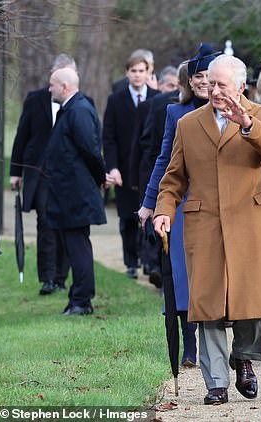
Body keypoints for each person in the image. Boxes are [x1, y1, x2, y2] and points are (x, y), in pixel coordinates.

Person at [153, 54, 261, 405]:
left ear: (242, 86)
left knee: (248, 301)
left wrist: (247, 125)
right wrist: (163, 211)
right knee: (207, 305)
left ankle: (243, 358)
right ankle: (216, 383)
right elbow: (173, 179)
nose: (213, 90)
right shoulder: (189, 124)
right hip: (204, 224)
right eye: (210, 83)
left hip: (250, 221)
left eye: (221, 84)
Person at [139, 46, 218, 367]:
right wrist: (149, 203)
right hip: (184, 201)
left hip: (219, 201)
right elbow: (164, 161)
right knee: (182, 276)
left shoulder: (229, 110)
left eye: (208, 77)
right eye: (197, 77)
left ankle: (222, 342)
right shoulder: (175, 113)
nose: (202, 83)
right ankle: (189, 346)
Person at [9, 54, 83, 295]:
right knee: (46, 223)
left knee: (65, 223)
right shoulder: (35, 100)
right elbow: (22, 136)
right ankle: (48, 278)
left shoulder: (81, 103)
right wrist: (15, 172)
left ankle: (62, 277)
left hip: (67, 174)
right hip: (40, 171)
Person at [44, 67, 110, 315]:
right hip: (69, 193)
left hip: (77, 194)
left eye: (52, 84)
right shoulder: (72, 109)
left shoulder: (79, 110)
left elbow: (91, 150)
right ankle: (77, 297)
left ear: (64, 86)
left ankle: (82, 300)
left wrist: (100, 177)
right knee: (74, 246)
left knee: (78, 246)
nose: (49, 88)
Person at [103, 53, 160, 279]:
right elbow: (108, 136)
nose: (137, 75)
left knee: (148, 214)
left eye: (141, 71)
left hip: (146, 166)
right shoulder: (116, 100)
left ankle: (149, 260)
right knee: (127, 217)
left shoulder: (157, 98)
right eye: (133, 71)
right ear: (127, 73)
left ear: (148, 73)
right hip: (124, 168)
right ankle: (130, 261)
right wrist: (112, 167)